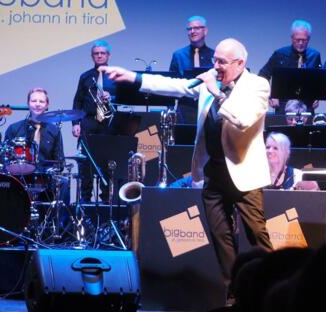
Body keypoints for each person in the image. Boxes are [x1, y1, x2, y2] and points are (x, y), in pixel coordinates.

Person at [101, 38, 274, 295]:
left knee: (257, 235)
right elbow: (175, 86)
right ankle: (234, 293)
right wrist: (134, 78)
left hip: (244, 173)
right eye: (214, 60)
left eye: (222, 62)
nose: (216, 66)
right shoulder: (211, 82)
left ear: (240, 63)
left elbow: (243, 120)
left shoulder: (257, 85)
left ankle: (274, 286)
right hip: (214, 173)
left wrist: (216, 92)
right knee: (221, 238)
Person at [71, 40, 118, 202]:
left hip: (108, 124)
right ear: (92, 56)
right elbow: (77, 101)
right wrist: (75, 123)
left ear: (108, 55)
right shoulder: (85, 76)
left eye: (102, 53)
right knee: (86, 162)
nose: (99, 56)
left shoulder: (116, 76)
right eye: (96, 53)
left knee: (108, 162)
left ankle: (106, 199)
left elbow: (123, 98)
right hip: (88, 122)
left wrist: (112, 97)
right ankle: (85, 199)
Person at [258, 20, 322, 114]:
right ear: (292, 38)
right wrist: (271, 95)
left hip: (307, 106)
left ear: (309, 39)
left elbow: (319, 80)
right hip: (283, 106)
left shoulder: (315, 55)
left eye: (304, 40)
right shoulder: (280, 54)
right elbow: (262, 76)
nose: (301, 43)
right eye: (297, 40)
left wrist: (317, 96)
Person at [169, 15, 215, 123]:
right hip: (185, 109)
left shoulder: (214, 55)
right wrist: (170, 108)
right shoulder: (178, 55)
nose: (192, 31)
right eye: (189, 29)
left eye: (196, 28)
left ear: (205, 31)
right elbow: (171, 82)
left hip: (208, 108)